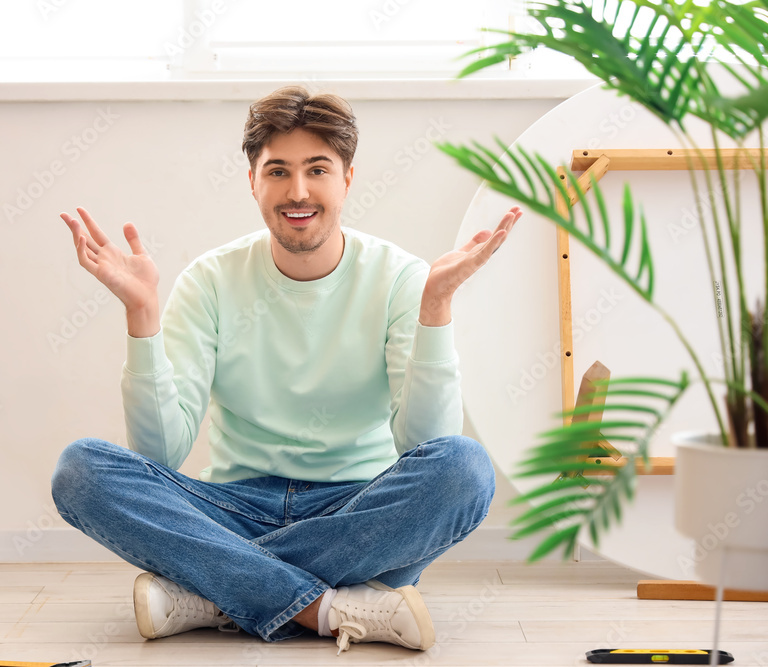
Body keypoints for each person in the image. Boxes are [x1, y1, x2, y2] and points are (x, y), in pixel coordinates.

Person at [51, 85, 521, 655]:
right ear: (253, 181)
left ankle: (216, 592)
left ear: (347, 178)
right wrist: (141, 314)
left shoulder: (401, 278)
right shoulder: (212, 280)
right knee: (80, 470)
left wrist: (435, 311)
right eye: (278, 171)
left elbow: (425, 446)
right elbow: (160, 456)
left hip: (359, 512)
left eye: (317, 169)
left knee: (465, 467)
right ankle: (329, 606)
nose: (298, 191)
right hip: (233, 508)